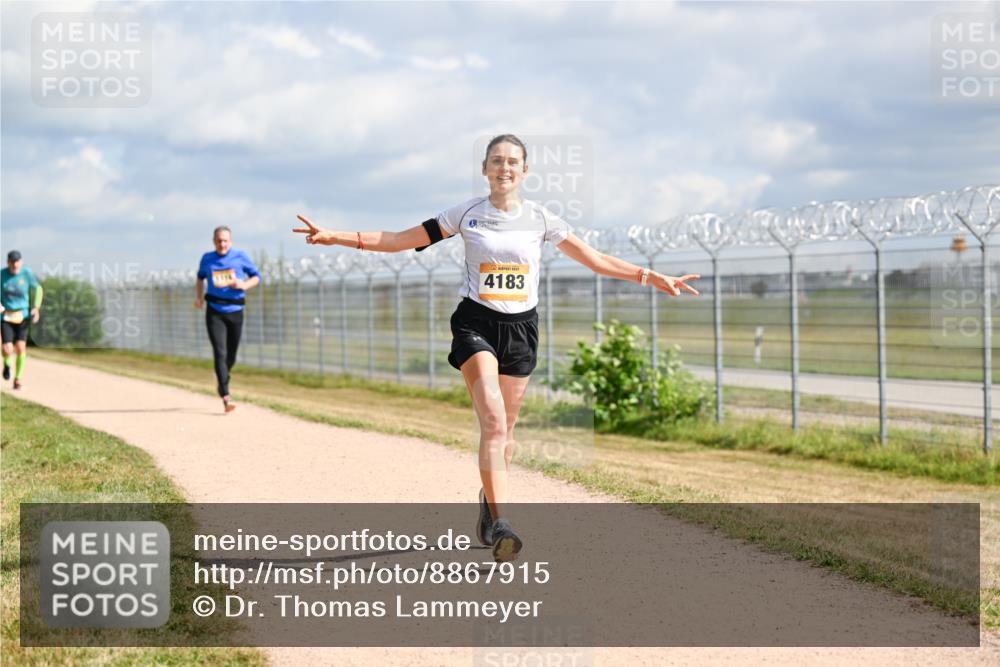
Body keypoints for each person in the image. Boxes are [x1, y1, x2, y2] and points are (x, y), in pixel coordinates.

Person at [292, 134, 699, 561]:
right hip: (476, 324)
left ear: (525, 171)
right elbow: (401, 239)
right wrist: (335, 236)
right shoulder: (466, 213)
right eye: (496, 161)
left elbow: (595, 260)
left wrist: (651, 277)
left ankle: (490, 504)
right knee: (492, 418)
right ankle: (504, 523)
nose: (505, 168)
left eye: (513, 162)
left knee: (507, 434)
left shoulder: (542, 219)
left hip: (522, 329)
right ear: (485, 169)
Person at [195, 226, 261, 413]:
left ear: (230, 241)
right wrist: (199, 298)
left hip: (235, 310)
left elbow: (257, 277)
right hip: (214, 310)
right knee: (220, 352)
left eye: (225, 240)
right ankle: (226, 395)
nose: (222, 244)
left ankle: (222, 378)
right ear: (214, 241)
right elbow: (200, 278)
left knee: (231, 355)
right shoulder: (207, 259)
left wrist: (244, 284)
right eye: (219, 240)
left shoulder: (241, 257)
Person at [1, 250, 43, 390]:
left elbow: (38, 289)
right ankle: (7, 364)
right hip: (6, 315)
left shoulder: (27, 273)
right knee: (7, 348)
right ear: (8, 262)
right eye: (12, 261)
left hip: (22, 316)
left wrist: (36, 307)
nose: (15, 264)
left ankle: (17, 379)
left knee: (20, 347)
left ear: (21, 261)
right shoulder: (2, 275)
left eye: (17, 261)